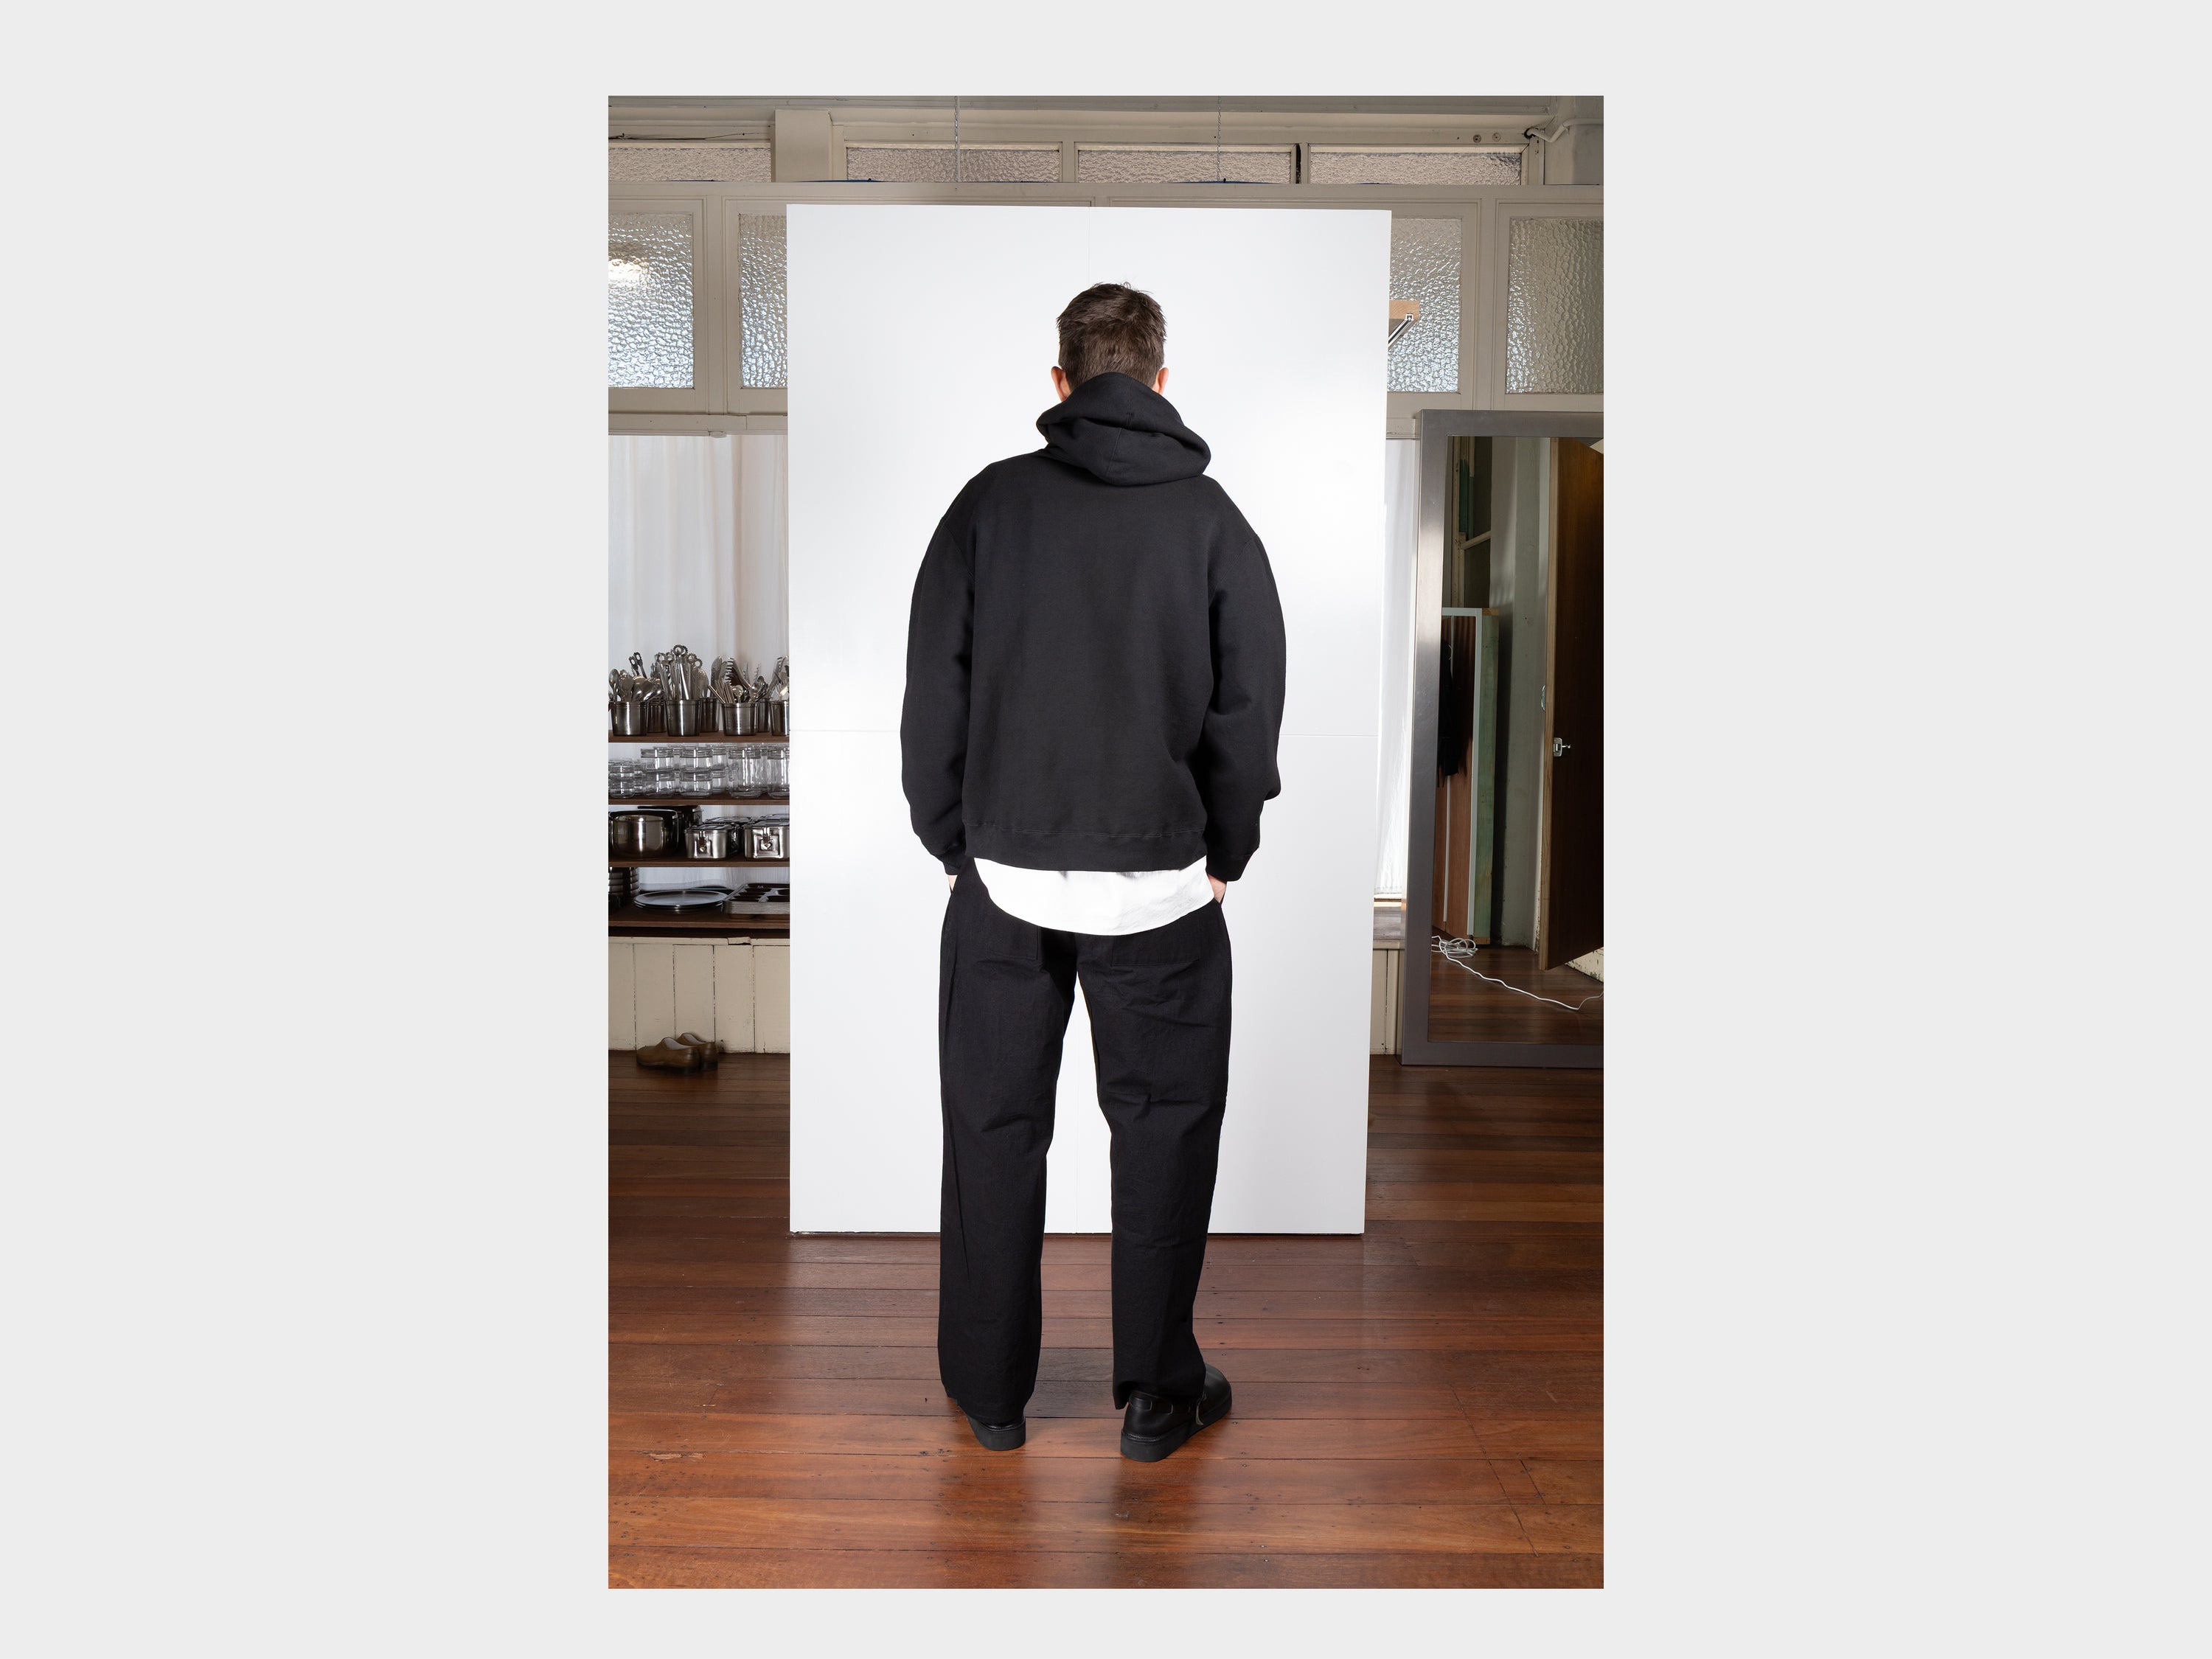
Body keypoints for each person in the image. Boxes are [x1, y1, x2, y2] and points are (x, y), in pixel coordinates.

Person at [900, 282, 1287, 1463]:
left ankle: (992, 1393)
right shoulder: (1214, 522)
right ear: (1160, 380)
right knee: (1164, 1135)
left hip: (1004, 884)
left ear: (1060, 381)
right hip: (1163, 891)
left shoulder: (988, 506)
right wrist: (1226, 851)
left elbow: (934, 694)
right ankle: (1158, 1398)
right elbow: (1248, 710)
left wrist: (954, 839)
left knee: (993, 1130)